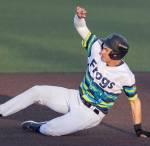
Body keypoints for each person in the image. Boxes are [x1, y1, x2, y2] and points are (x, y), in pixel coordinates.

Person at [0, 6, 150, 138]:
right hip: (75, 97)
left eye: (107, 49)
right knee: (37, 91)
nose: (102, 49)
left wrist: (138, 129)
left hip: (90, 114)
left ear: (115, 55)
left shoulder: (125, 76)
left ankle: (40, 126)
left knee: (50, 129)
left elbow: (134, 101)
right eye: (104, 46)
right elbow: (81, 29)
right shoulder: (96, 48)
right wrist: (79, 18)